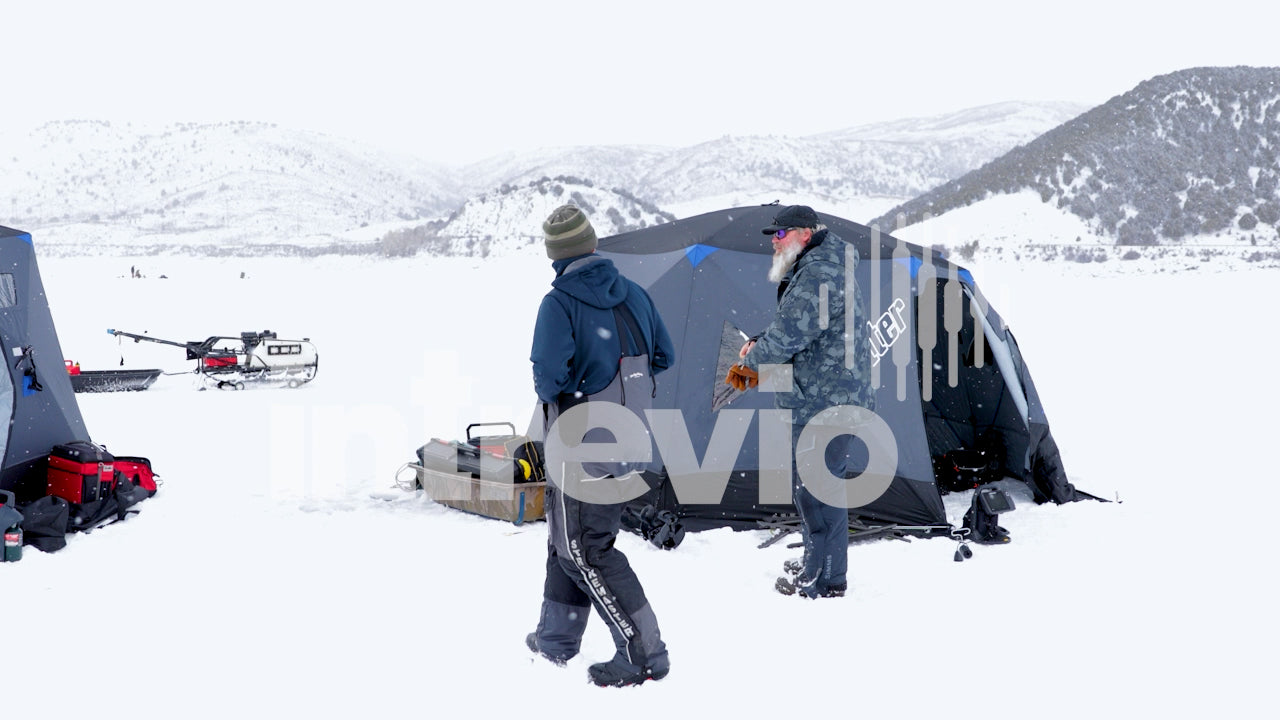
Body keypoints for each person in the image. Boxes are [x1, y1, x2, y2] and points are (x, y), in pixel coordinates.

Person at [525, 204, 676, 687]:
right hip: (628, 437)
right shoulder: (634, 294)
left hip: (580, 444)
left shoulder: (559, 303)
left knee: (585, 549)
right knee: (565, 539)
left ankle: (644, 653)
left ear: (555, 255)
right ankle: (556, 639)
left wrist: (582, 385)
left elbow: (548, 380)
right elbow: (664, 356)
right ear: (592, 244)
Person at [725, 204, 873, 599]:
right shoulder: (820, 265)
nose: (774, 242)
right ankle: (818, 560)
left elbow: (790, 334)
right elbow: (797, 326)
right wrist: (760, 342)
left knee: (818, 491)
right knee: (816, 488)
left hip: (826, 401)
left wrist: (750, 364)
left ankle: (824, 578)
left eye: (780, 234)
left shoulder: (820, 273)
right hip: (826, 395)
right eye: (773, 236)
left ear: (805, 233)